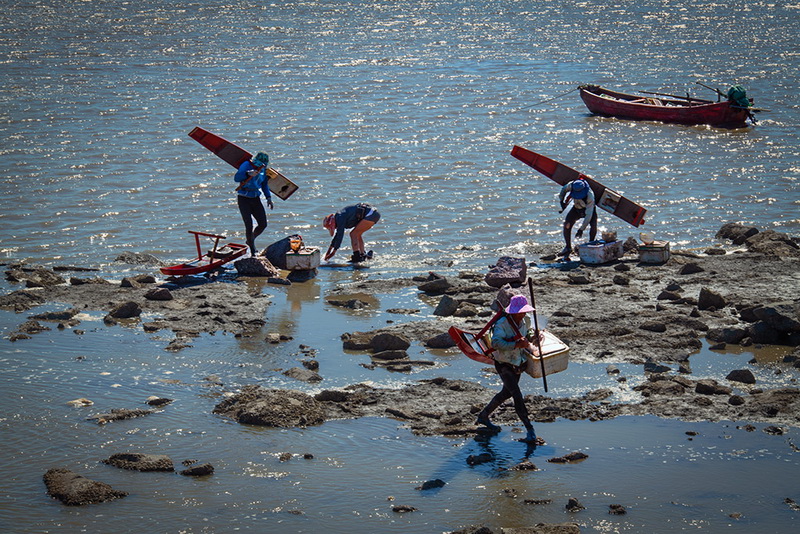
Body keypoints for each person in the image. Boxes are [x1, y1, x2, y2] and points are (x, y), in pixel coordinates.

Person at [475, 295, 538, 444]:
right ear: (514, 312)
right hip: (504, 363)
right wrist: (516, 345)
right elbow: (496, 343)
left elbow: (527, 333)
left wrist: (533, 336)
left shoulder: (525, 320)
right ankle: (530, 429)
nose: (523, 314)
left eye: (524, 312)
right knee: (516, 394)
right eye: (521, 312)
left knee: (506, 393)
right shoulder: (502, 324)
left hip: (517, 363)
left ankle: (483, 416)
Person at [234, 152, 273, 256]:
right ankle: (252, 250)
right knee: (249, 225)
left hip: (255, 197)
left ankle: (250, 239)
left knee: (263, 224)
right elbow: (236, 178)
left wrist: (268, 197)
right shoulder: (246, 165)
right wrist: (247, 174)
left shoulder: (263, 169)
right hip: (243, 198)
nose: (261, 166)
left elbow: (264, 184)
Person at [558, 178, 597, 260]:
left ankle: (591, 244)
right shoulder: (571, 185)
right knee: (567, 224)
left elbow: (588, 215)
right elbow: (563, 190)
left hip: (588, 209)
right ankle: (568, 247)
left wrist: (581, 229)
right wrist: (561, 200)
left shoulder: (590, 196)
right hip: (576, 208)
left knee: (593, 225)